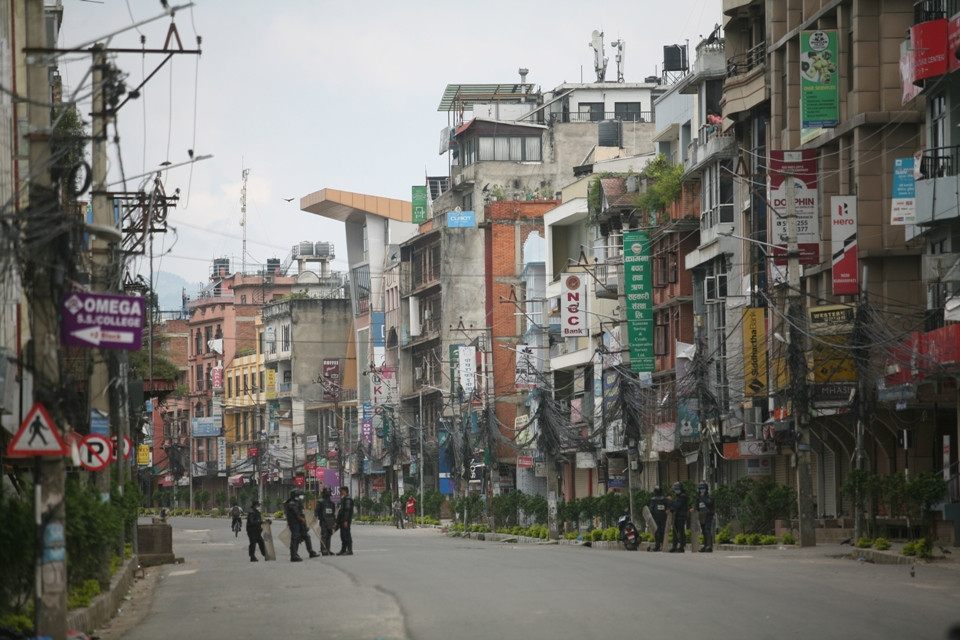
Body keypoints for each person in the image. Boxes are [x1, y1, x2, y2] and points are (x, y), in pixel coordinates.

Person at [283, 489, 319, 562]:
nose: (299, 497)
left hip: (300, 524)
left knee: (306, 536)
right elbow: (297, 514)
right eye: (298, 496)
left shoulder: (298, 502)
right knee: (295, 539)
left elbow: (302, 511)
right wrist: (302, 519)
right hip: (295, 523)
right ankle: (293, 555)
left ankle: (311, 552)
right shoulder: (292, 503)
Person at [668, 481, 690, 553]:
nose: (676, 490)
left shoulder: (683, 497)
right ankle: (674, 546)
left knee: (681, 531)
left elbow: (677, 506)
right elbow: (674, 507)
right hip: (676, 516)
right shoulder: (677, 497)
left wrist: (671, 501)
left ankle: (681, 547)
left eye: (677, 489)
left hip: (681, 516)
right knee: (675, 531)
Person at [315, 488, 337, 555]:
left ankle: (328, 549)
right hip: (323, 521)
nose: (328, 493)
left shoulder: (331, 503)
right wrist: (315, 517)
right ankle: (323, 549)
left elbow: (333, 513)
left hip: (330, 521)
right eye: (327, 492)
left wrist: (335, 521)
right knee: (324, 535)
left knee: (329, 535)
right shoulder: (320, 502)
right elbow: (316, 511)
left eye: (329, 492)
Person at [648, 485, 669, 552]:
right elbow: (668, 508)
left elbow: (651, 509)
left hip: (656, 519)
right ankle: (663, 545)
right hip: (664, 518)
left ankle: (657, 546)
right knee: (663, 531)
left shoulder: (653, 500)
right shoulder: (665, 499)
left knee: (657, 532)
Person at [696, 482, 715, 552]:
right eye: (700, 489)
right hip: (701, 516)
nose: (702, 490)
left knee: (707, 530)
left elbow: (709, 503)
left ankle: (709, 546)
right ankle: (705, 545)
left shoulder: (709, 497)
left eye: (703, 489)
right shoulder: (698, 498)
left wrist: (703, 497)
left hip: (708, 515)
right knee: (703, 531)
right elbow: (697, 507)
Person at [335, 486, 354, 555]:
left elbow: (347, 511)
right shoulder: (344, 499)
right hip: (342, 520)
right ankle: (343, 549)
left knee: (346, 535)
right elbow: (341, 511)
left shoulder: (348, 499)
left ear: (345, 491)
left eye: (341, 490)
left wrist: (346, 520)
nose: (340, 492)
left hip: (345, 521)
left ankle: (349, 550)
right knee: (342, 535)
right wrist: (337, 521)